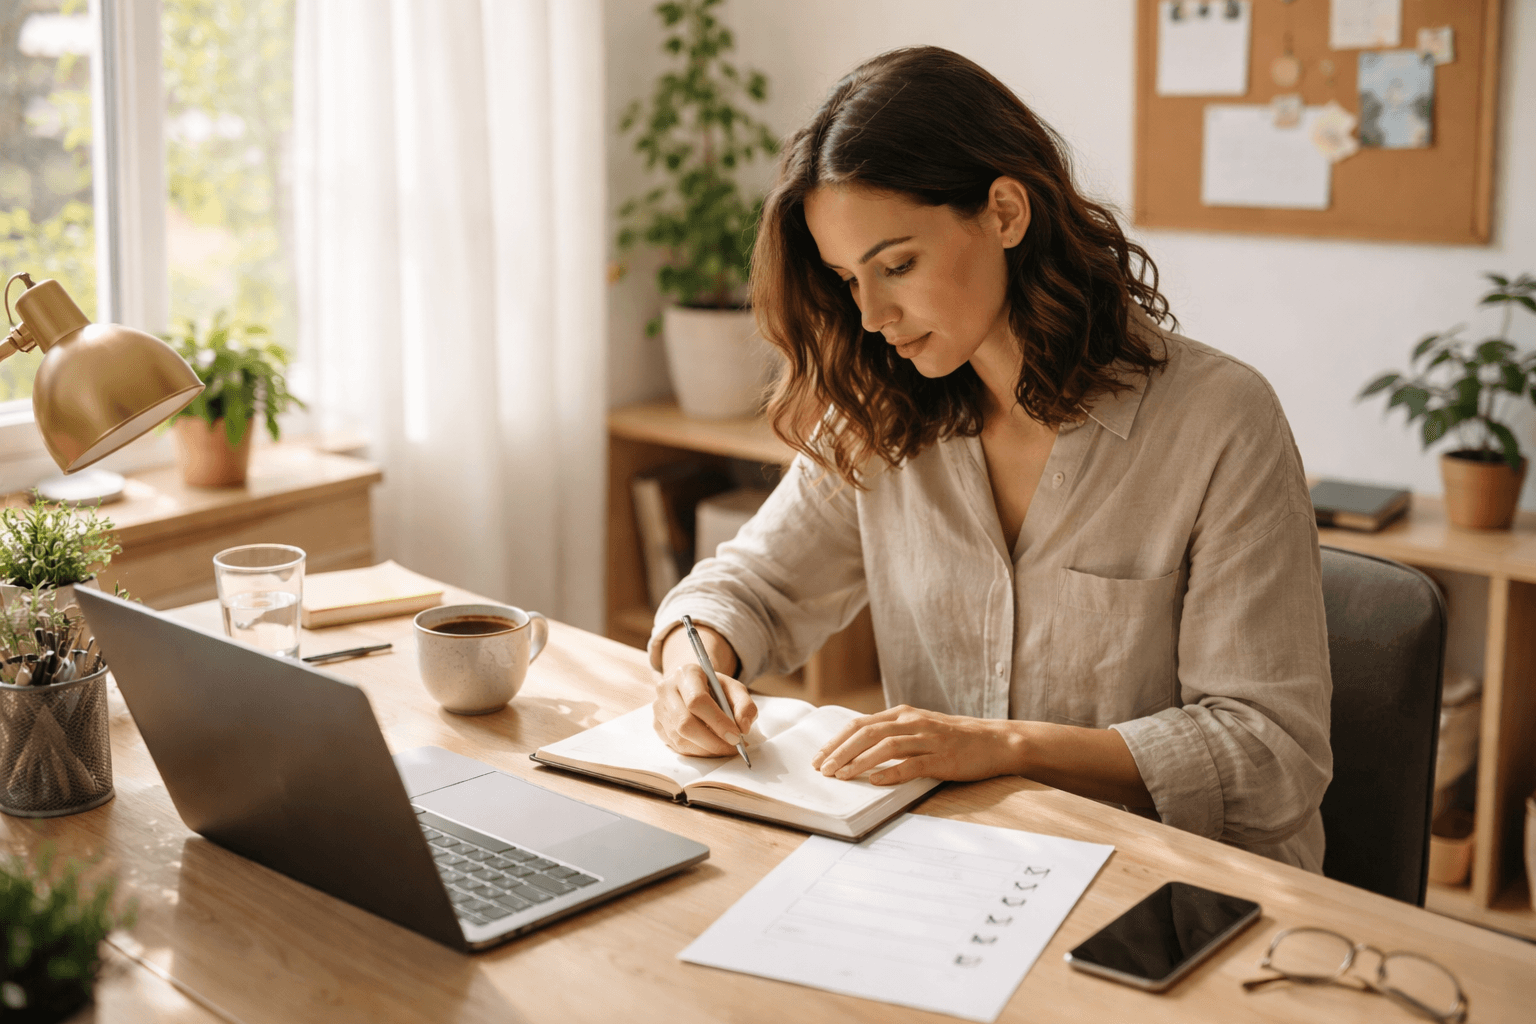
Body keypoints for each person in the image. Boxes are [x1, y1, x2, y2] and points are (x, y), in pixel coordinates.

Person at [647, 47, 1332, 871]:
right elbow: (747, 588)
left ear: (1006, 213)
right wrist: (695, 663)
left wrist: (1004, 746)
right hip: (962, 874)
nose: (871, 316)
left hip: (1179, 887)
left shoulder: (1221, 422)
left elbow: (1270, 755)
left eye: (898, 265)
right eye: (846, 279)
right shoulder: (879, 415)